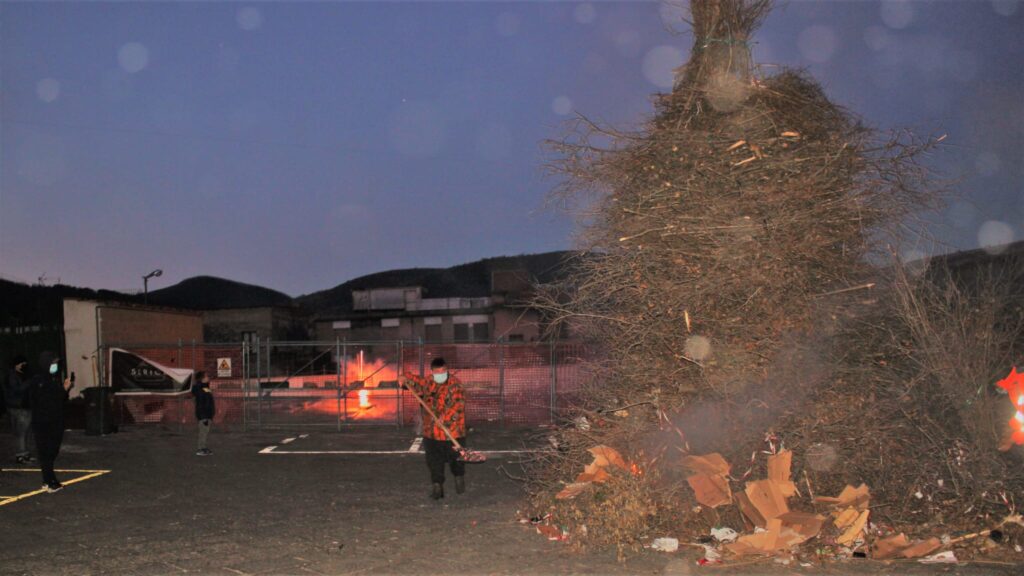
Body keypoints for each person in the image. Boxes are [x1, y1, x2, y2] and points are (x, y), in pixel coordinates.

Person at [399, 357, 466, 500]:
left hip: (452, 432)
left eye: (443, 371)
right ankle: (437, 486)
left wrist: (446, 416)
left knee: (456, 459)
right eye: (437, 372)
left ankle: (459, 477)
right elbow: (414, 381)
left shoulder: (455, 385)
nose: (440, 374)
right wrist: (404, 377)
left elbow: (458, 405)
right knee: (434, 460)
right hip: (432, 432)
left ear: (447, 369)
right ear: (432, 372)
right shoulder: (428, 382)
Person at [25, 351, 74, 492]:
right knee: (47, 452)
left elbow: (57, 399)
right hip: (46, 422)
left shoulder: (49, 380)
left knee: (50, 452)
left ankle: (48, 480)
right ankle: (49, 481)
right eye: (53, 363)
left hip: (49, 420)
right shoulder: (41, 381)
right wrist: (63, 390)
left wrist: (63, 390)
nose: (55, 366)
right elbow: (50, 401)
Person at [4, 354, 34, 464]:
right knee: (21, 433)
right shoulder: (12, 376)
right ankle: (21, 455)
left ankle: (25, 453)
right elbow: (17, 390)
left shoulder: (22, 375)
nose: (24, 365)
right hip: (18, 407)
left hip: (24, 406)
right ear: (17, 365)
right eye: (22, 363)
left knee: (25, 432)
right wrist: (29, 382)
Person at [191, 371, 215, 456]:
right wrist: (203, 417)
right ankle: (200, 449)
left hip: (207, 414)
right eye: (206, 376)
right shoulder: (200, 389)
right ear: (202, 378)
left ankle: (203, 447)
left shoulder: (205, 387)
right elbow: (201, 404)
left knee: (205, 432)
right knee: (203, 432)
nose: (208, 377)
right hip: (204, 415)